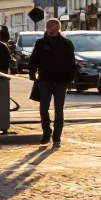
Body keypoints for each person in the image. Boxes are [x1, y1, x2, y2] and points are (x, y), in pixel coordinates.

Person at [28, 18, 77, 148]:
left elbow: (71, 64)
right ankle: (46, 132)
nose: (48, 28)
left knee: (59, 110)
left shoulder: (66, 44)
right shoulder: (41, 43)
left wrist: (69, 80)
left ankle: (57, 137)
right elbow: (34, 59)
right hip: (45, 80)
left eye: (50, 26)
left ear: (57, 28)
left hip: (61, 82)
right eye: (47, 26)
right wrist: (32, 73)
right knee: (43, 108)